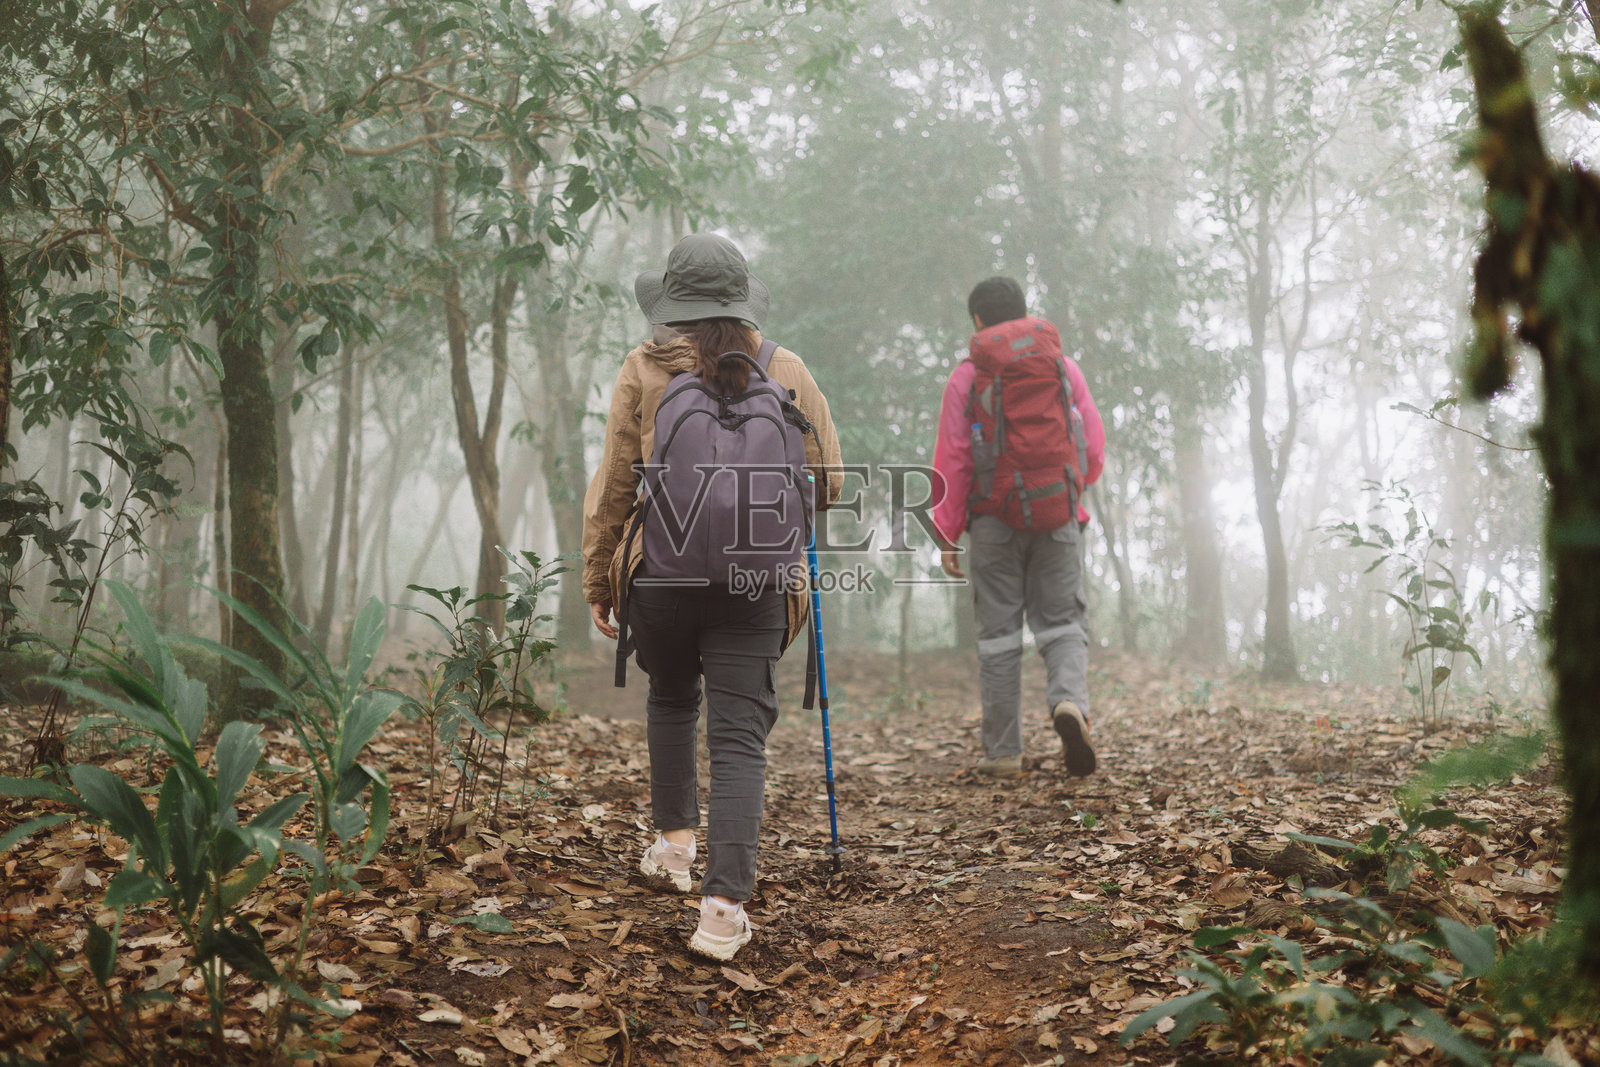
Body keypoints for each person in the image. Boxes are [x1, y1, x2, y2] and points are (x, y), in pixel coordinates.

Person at [581, 233, 842, 960]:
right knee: (736, 739)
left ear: (673, 305)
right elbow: (833, 480)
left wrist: (599, 577)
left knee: (670, 694)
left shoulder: (642, 367)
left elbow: (614, 487)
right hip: (755, 585)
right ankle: (723, 912)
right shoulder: (784, 367)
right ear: (741, 299)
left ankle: (673, 848)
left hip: (660, 576)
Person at [930, 276, 1105, 779]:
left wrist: (947, 529)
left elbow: (955, 458)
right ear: (1025, 314)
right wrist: (1070, 491)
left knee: (999, 635)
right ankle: (1069, 704)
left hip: (992, 522)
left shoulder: (968, 377)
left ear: (979, 323)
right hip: (1059, 515)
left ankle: (1004, 752)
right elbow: (1091, 445)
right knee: (1064, 624)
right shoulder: (1063, 369)